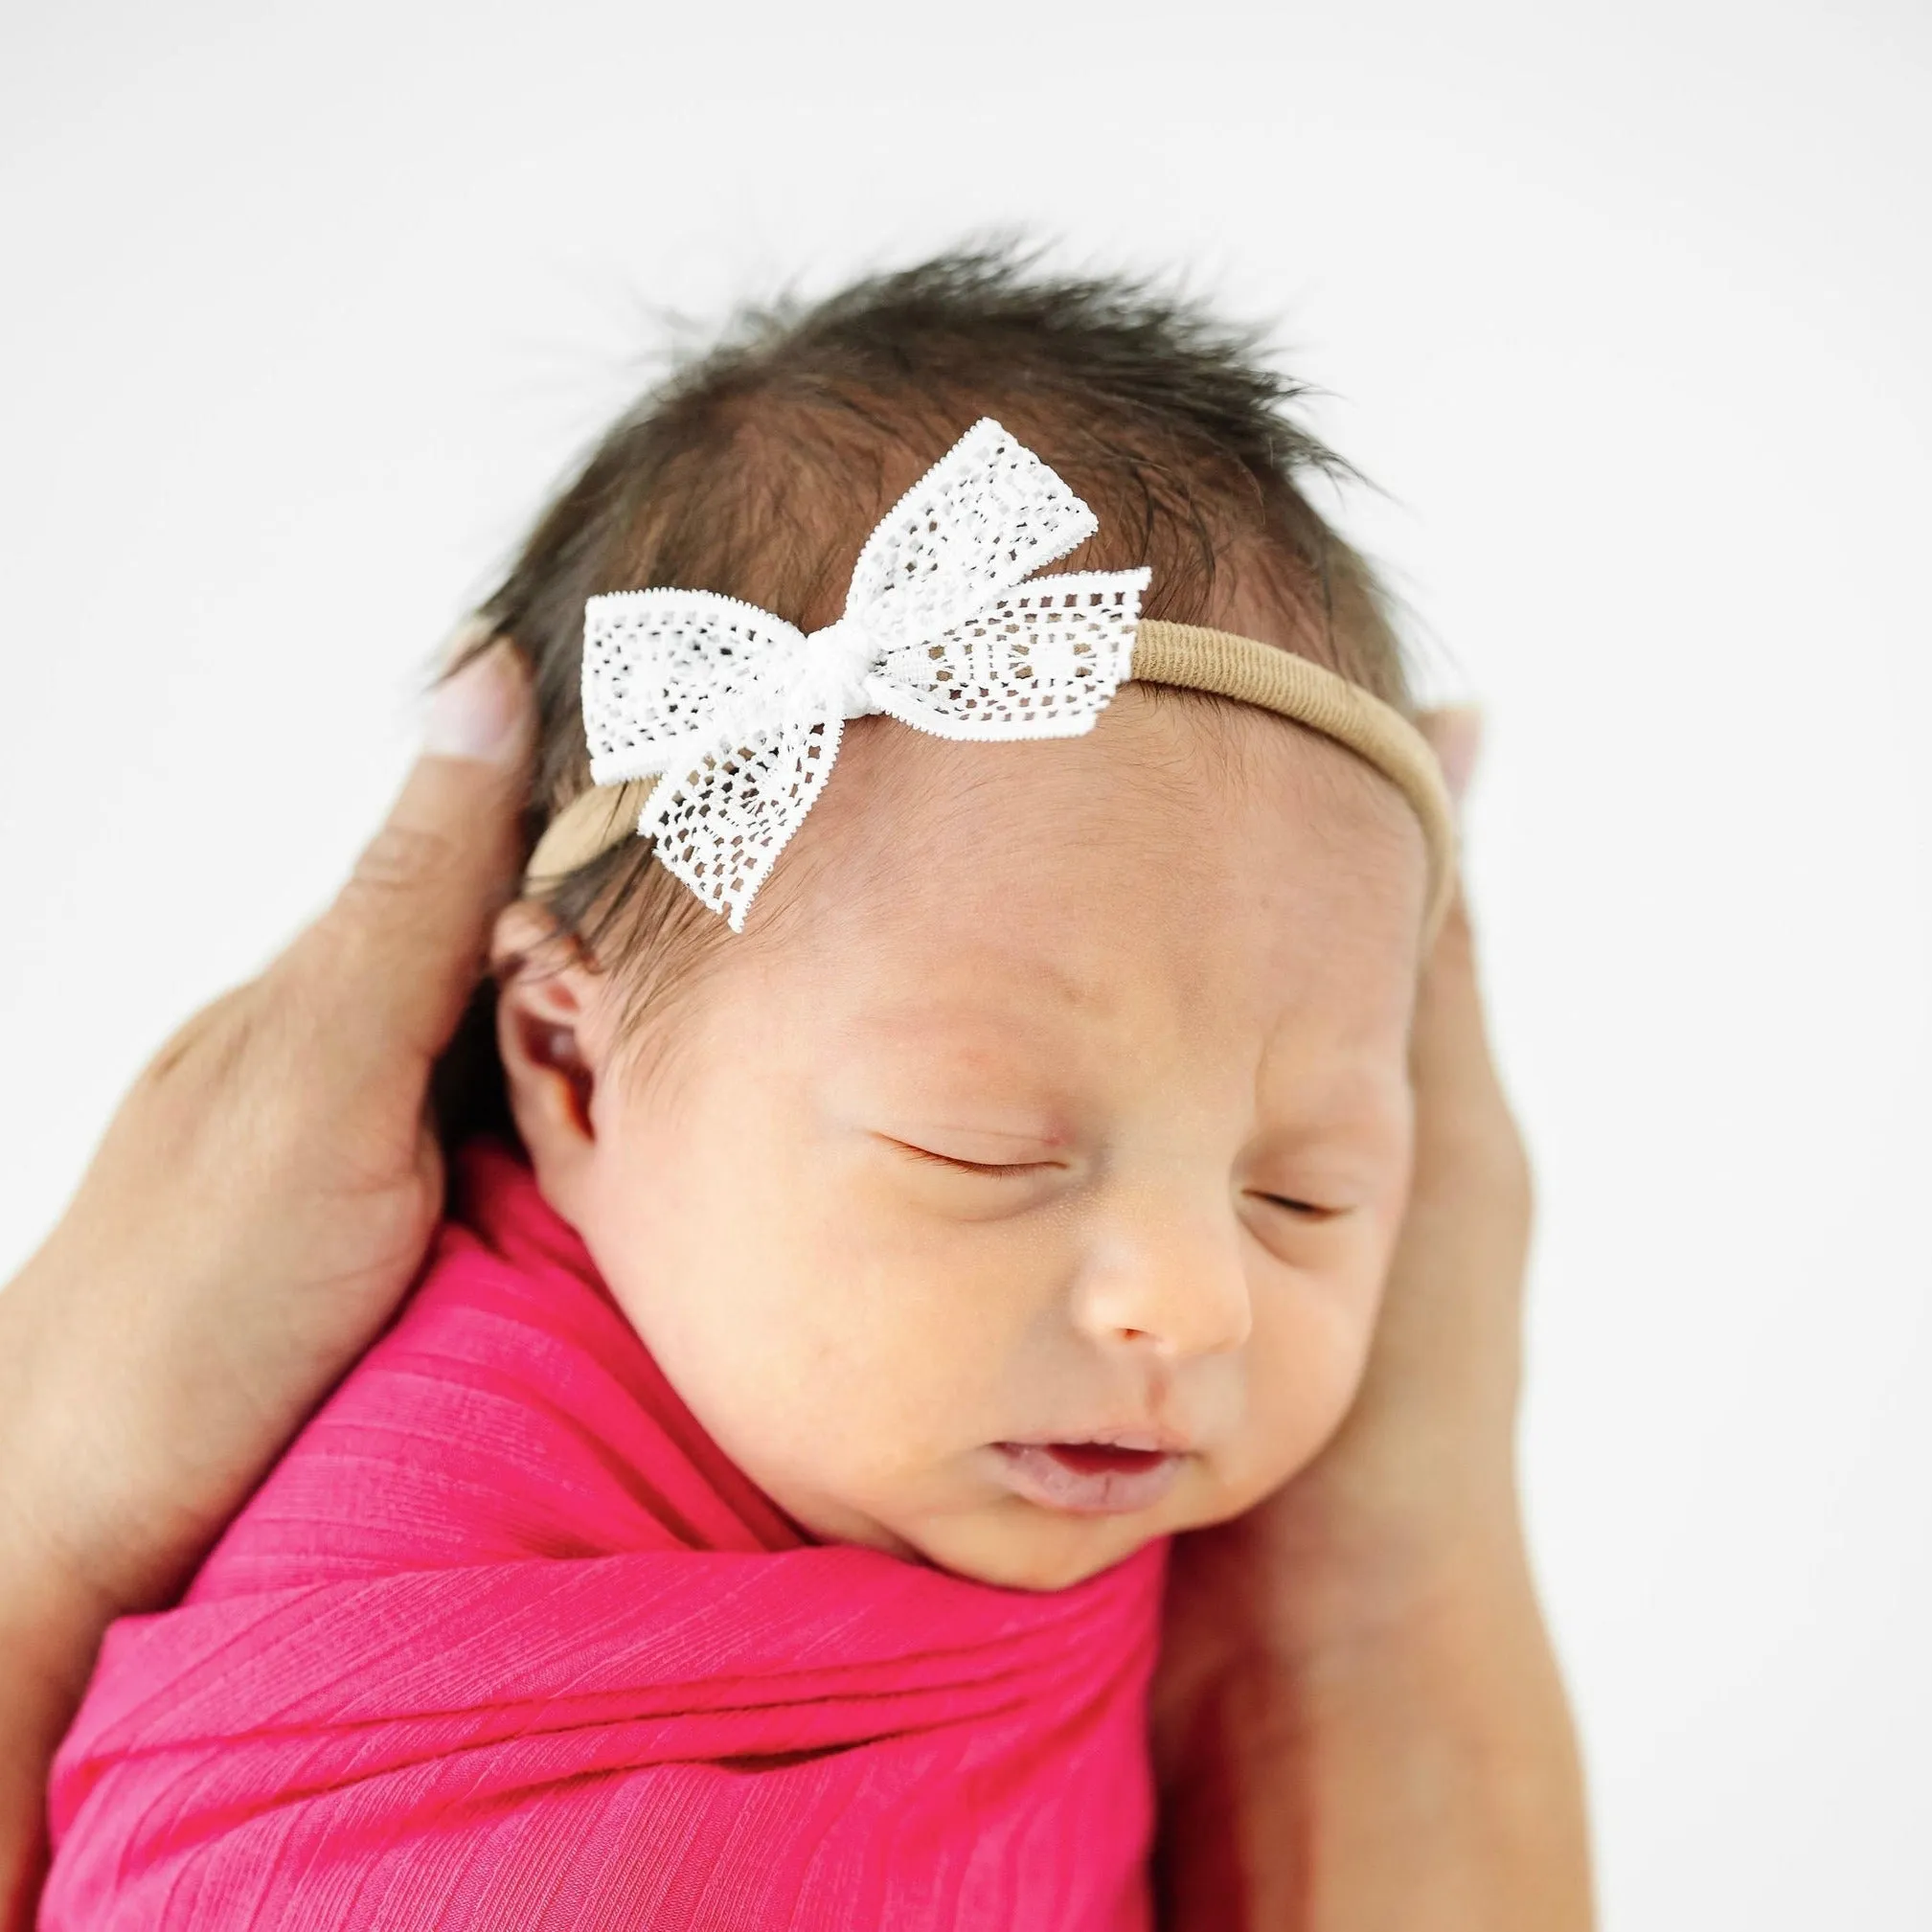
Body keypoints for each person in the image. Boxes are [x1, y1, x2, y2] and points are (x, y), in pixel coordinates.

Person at [1, 257, 1592, 1929]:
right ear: (567, 1061)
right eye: (988, 1151)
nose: (1192, 1306)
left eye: (1306, 1191)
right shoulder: (447, 1679)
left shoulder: (913, 1425)